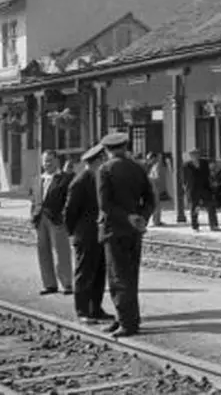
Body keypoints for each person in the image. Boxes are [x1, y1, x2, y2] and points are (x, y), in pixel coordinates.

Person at [96, 131, 155, 338]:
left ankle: (127, 323)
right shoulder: (138, 168)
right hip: (134, 230)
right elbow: (150, 199)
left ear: (106, 150)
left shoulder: (105, 169)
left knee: (117, 277)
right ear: (125, 147)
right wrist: (141, 218)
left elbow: (104, 204)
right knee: (132, 275)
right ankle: (128, 318)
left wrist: (127, 217)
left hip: (115, 229)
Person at [64, 145, 114, 325]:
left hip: (100, 234)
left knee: (99, 272)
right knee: (84, 273)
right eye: (103, 160)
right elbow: (70, 212)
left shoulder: (98, 178)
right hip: (85, 235)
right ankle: (82, 310)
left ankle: (96, 308)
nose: (105, 162)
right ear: (97, 161)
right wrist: (72, 233)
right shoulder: (80, 181)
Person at [31, 150, 74, 295]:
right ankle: (49, 284)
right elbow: (34, 200)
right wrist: (33, 217)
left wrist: (64, 215)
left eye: (50, 160)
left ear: (57, 161)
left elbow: (69, 200)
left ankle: (66, 284)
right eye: (44, 161)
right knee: (43, 252)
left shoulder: (64, 178)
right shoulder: (38, 179)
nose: (47, 164)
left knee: (61, 252)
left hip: (56, 219)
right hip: (40, 219)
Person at [181, 148, 219, 231]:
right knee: (194, 208)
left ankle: (213, 225)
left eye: (196, 154)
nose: (195, 156)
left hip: (205, 187)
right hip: (193, 189)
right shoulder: (186, 165)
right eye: (193, 155)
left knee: (211, 206)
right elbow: (184, 178)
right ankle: (195, 226)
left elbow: (209, 174)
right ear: (190, 156)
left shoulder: (204, 163)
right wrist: (185, 188)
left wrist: (212, 183)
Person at [145, 153, 165, 227]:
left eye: (149, 159)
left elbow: (157, 178)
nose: (148, 161)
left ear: (153, 158)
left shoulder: (157, 166)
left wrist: (149, 178)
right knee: (155, 205)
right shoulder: (154, 166)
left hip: (154, 187)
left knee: (156, 205)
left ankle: (157, 221)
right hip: (153, 187)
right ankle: (156, 221)